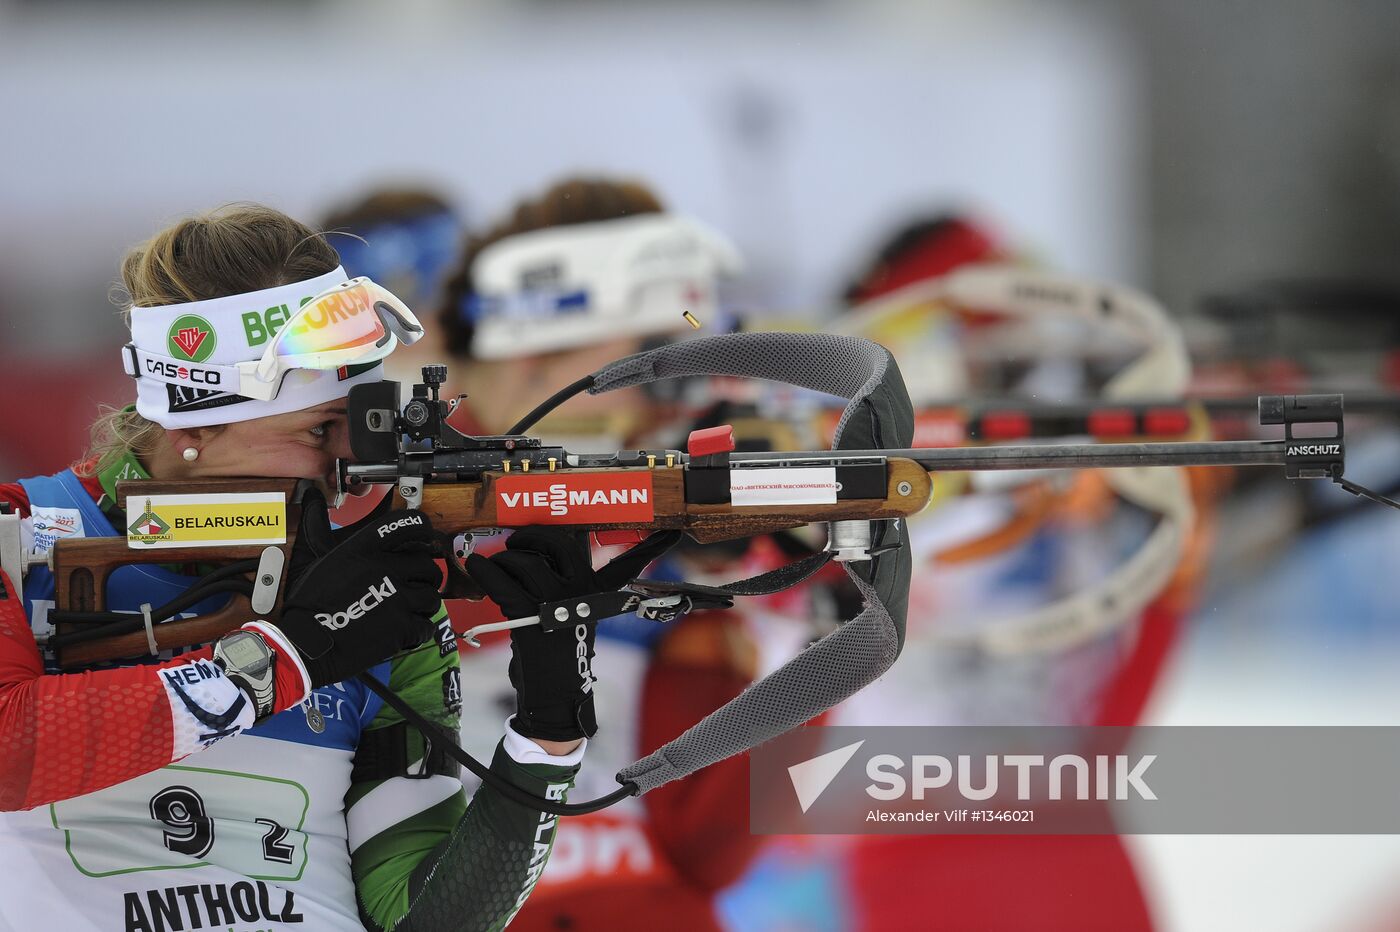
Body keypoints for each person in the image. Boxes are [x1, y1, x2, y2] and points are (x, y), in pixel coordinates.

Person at [0, 204, 637, 932]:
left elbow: (427, 919)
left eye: (359, 424)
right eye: (315, 430)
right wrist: (289, 657)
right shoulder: (17, 532)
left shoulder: (384, 601)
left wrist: (546, 737)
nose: (352, 468)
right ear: (197, 421)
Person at [437, 176, 780, 932]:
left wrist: (802, 599)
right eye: (652, 358)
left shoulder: (666, 547)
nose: (674, 400)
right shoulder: (384, 502)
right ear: (531, 356)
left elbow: (715, 846)